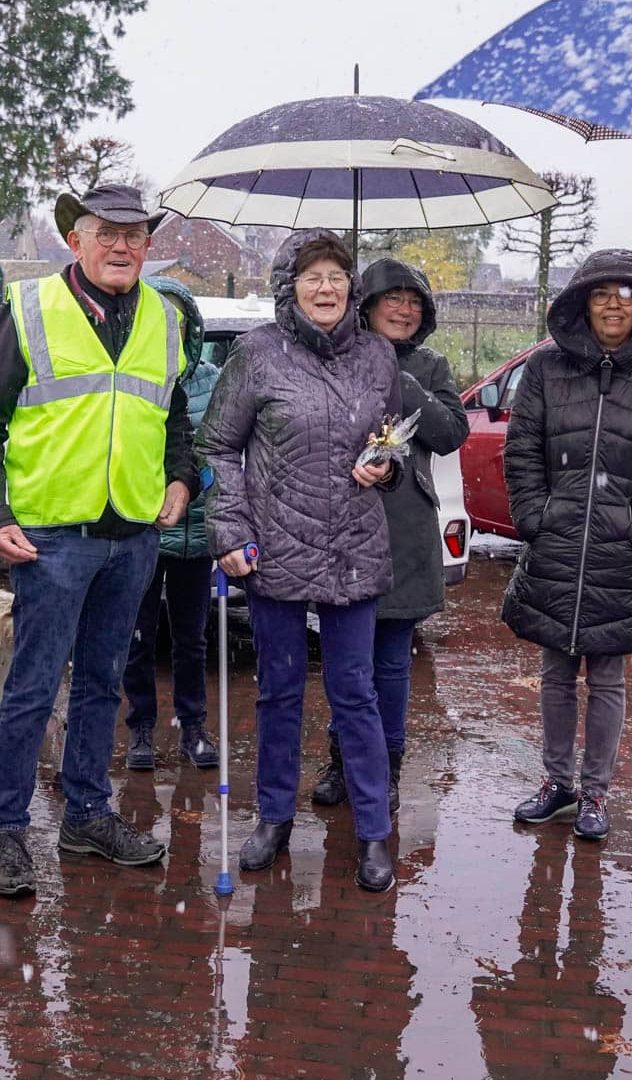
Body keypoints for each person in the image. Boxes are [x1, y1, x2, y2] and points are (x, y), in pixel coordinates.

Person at [0, 183, 199, 898]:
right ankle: (5, 829)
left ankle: (87, 814)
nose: (122, 246)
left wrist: (182, 479)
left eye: (134, 235)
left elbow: (175, 417)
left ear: (148, 246)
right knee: (33, 687)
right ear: (77, 241)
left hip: (132, 535)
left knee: (105, 683)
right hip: (51, 536)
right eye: (106, 233)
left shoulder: (165, 317)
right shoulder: (31, 308)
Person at [198, 228, 404, 893]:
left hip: (354, 548)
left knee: (356, 694)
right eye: (312, 277)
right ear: (289, 287)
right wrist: (229, 532)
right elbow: (218, 447)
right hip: (276, 549)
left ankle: (374, 830)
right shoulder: (256, 356)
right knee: (280, 691)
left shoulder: (378, 356)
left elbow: (392, 439)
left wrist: (386, 465)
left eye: (337, 276)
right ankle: (275, 816)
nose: (326, 288)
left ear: (352, 287)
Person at [500, 250, 632, 843]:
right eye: (602, 293)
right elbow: (522, 449)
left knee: (607, 677)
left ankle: (596, 791)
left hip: (619, 552)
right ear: (582, 302)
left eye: (627, 294)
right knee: (556, 672)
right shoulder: (545, 370)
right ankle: (557, 784)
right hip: (557, 547)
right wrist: (535, 517)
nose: (614, 304)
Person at [304, 258, 467, 813]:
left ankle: (386, 768)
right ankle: (343, 759)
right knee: (346, 658)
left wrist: (401, 380)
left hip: (403, 531)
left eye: (414, 300)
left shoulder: (430, 364)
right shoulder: (333, 358)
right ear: (365, 306)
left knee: (392, 660)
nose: (404, 308)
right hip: (341, 524)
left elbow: (449, 434)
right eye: (391, 298)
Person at [120, 276, 220, 772]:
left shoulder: (211, 379)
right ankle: (140, 727)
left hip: (198, 531)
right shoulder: (131, 374)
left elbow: (227, 447)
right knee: (137, 633)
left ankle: (193, 725)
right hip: (144, 529)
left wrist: (205, 482)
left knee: (192, 635)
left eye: (178, 320)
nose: (171, 328)